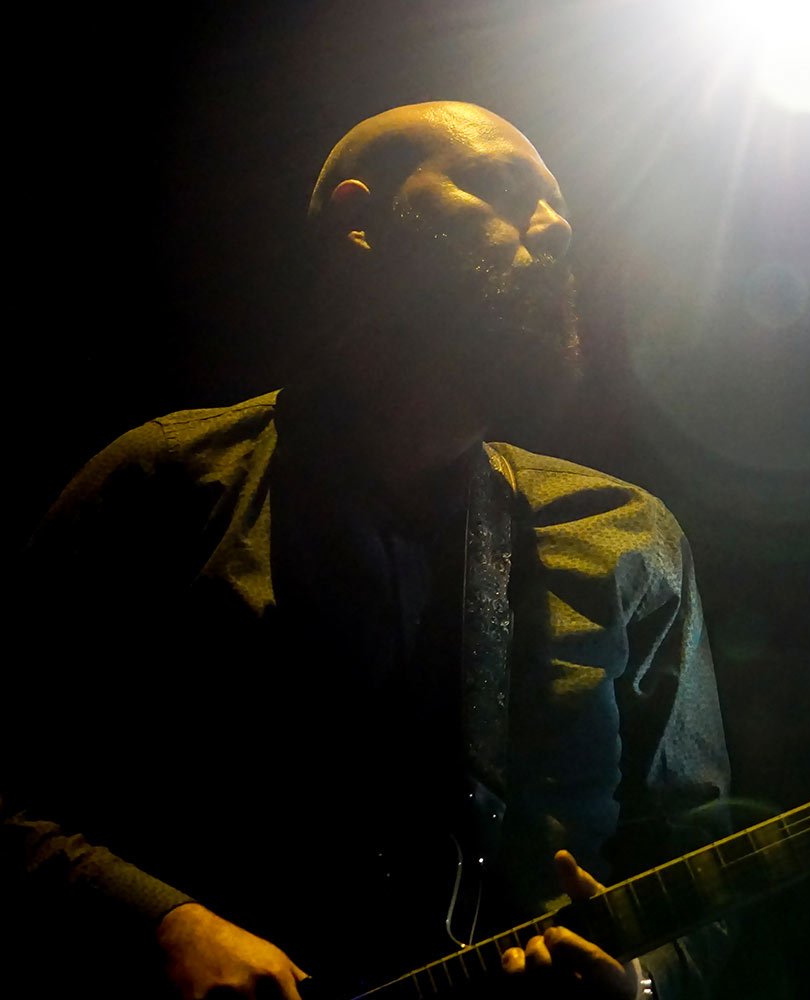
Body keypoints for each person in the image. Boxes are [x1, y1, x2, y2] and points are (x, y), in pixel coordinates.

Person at [2, 102, 731, 999]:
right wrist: (161, 922)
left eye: (558, 207)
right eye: (500, 187)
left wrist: (642, 984)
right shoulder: (164, 485)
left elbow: (701, 851)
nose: (555, 227)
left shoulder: (628, 538)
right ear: (360, 220)